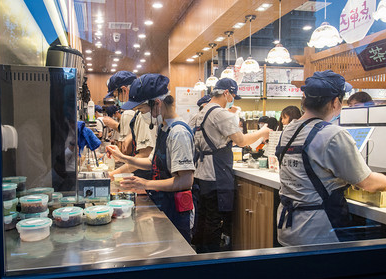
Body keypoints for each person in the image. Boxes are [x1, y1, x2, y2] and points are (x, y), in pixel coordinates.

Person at [275, 70, 386, 247]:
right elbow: (368, 183)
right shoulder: (332, 134)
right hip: (319, 232)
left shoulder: (287, 131)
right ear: (335, 102)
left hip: (288, 227)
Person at [106, 74, 196, 242]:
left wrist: (145, 183)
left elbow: (185, 180)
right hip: (164, 204)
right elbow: (151, 162)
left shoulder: (178, 133)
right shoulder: (163, 128)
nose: (142, 114)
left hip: (177, 210)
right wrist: (123, 157)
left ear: (157, 103)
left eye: (141, 110)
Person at [191, 78, 271, 253]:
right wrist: (262, 132)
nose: (233, 98)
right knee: (214, 220)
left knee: (203, 217)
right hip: (216, 174)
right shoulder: (220, 114)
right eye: (233, 94)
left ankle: (200, 257)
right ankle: (211, 260)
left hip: (201, 173)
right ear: (226, 93)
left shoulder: (201, 113)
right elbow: (241, 141)